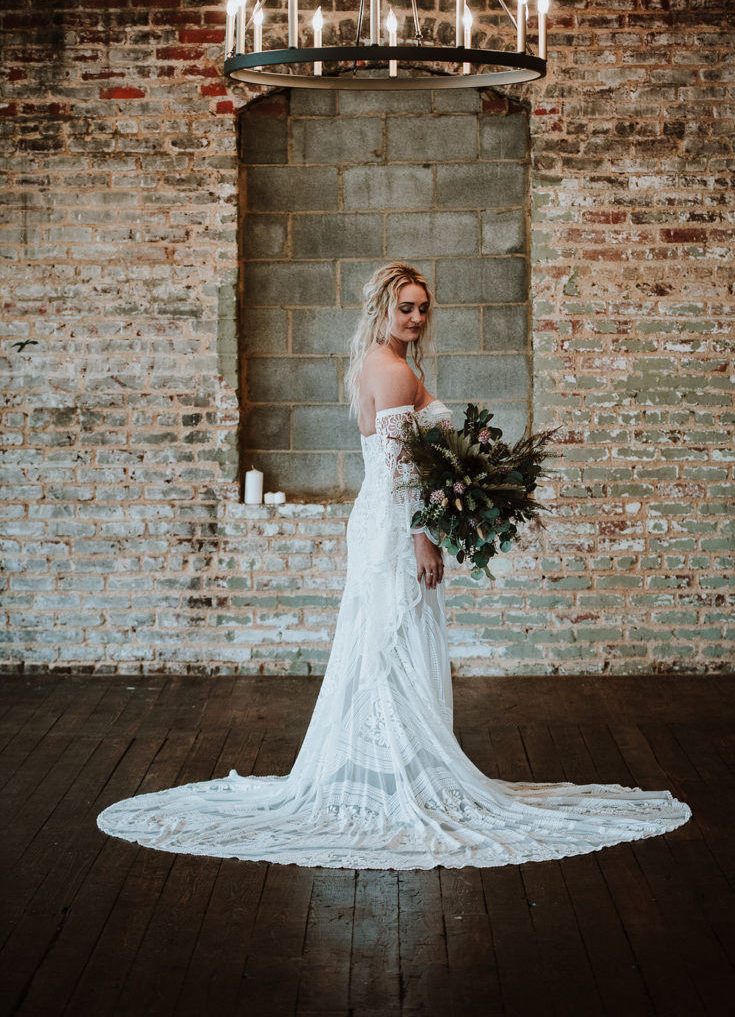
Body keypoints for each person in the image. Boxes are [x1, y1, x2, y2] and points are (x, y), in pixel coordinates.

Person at [97, 262, 690, 868]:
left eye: (422, 308)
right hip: (395, 527)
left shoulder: (378, 366)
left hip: (378, 519)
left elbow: (408, 459)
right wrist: (423, 537)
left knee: (385, 641)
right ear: (382, 307)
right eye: (405, 307)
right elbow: (404, 469)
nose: (415, 317)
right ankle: (404, 779)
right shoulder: (394, 371)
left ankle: (394, 767)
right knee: (393, 640)